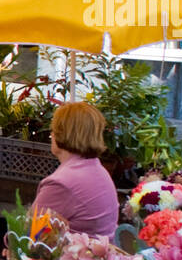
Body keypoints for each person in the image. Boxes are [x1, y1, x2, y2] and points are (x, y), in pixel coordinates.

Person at [32, 102, 119, 238]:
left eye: (54, 130)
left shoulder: (61, 184)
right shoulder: (97, 169)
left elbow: (31, 235)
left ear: (62, 134)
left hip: (74, 257)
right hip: (100, 255)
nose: (52, 134)